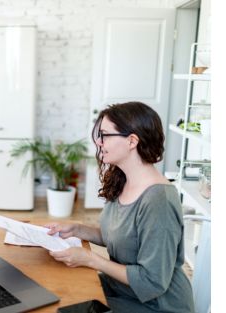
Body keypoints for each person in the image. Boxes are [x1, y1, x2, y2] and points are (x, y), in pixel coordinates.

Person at [46, 102, 194, 312]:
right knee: (58, 289)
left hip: (156, 305)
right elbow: (121, 239)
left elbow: (152, 281)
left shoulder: (159, 200)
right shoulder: (123, 181)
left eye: (105, 135)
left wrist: (91, 259)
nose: (98, 141)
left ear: (132, 141)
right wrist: (78, 230)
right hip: (123, 289)